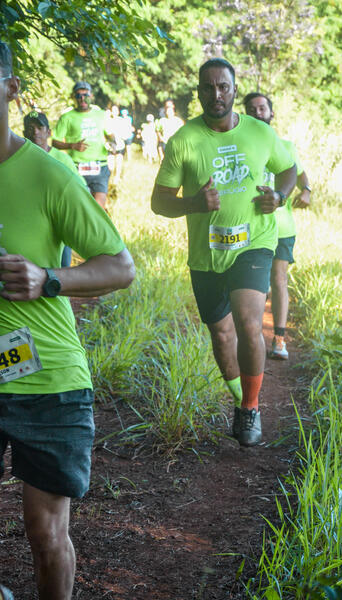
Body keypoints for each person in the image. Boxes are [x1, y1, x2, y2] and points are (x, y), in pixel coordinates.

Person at [0, 42, 135, 600]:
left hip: (47, 380)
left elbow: (121, 267)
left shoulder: (48, 176)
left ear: (10, 88)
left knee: (45, 534)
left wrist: (48, 279)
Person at [151, 58, 296, 446]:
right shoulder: (183, 141)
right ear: (198, 92)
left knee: (250, 322)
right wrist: (194, 204)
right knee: (221, 333)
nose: (216, 94)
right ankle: (239, 397)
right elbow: (159, 202)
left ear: (234, 89)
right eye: (208, 87)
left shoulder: (260, 133)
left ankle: (250, 409)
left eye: (223, 87)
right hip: (206, 253)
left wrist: (279, 196)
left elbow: (288, 169)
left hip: (255, 243)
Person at [243, 92, 311, 360]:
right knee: (253, 283)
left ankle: (279, 339)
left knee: (279, 279)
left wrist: (306, 189)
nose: (258, 113)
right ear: (245, 114)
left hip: (281, 226)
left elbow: (300, 172)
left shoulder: (286, 145)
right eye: (252, 109)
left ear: (272, 114)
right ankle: (251, 337)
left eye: (262, 108)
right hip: (250, 226)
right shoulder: (239, 146)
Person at [23, 109, 86, 267]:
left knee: (62, 267)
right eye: (30, 128)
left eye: (40, 128)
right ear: (24, 133)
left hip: (60, 223)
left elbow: (81, 190)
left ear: (49, 132)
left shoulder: (62, 159)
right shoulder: (20, 159)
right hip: (31, 224)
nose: (35, 132)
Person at [52, 81, 114, 210]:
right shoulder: (67, 117)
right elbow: (54, 142)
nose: (82, 99)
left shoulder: (101, 114)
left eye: (85, 95)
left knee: (98, 208)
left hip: (100, 166)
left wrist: (112, 142)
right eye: (78, 95)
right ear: (73, 97)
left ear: (91, 96)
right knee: (81, 208)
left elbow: (110, 134)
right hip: (76, 167)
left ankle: (98, 228)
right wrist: (72, 145)